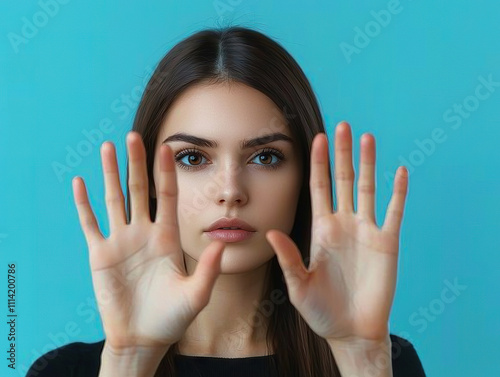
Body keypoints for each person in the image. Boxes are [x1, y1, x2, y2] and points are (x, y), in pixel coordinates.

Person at [26, 25, 426, 377]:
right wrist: (130, 361)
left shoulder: (386, 361)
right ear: (147, 178)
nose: (230, 190)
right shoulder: (65, 371)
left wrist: (360, 356)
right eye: (193, 158)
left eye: (265, 157)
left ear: (306, 177)